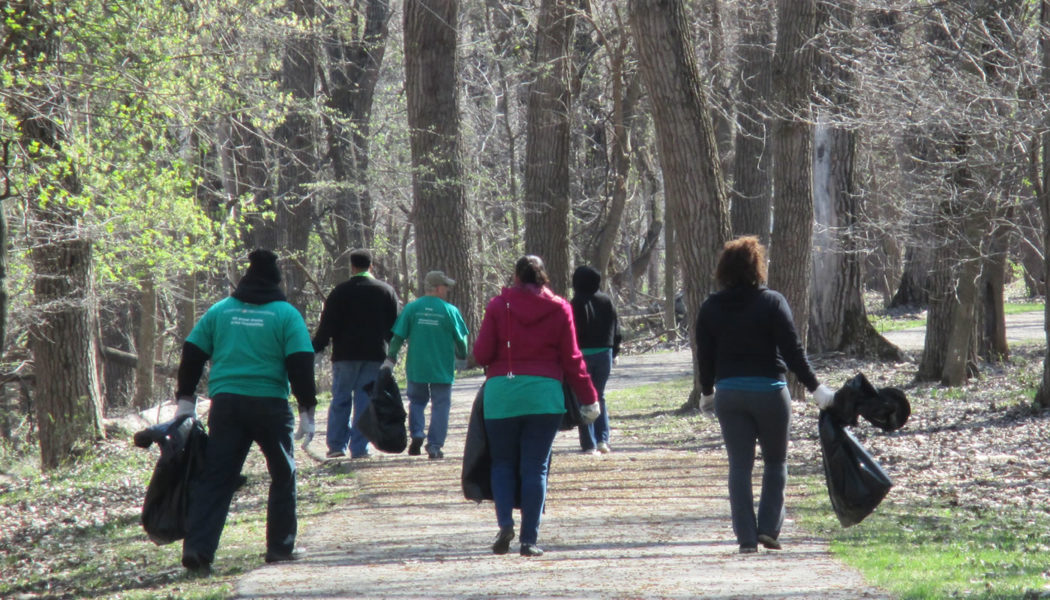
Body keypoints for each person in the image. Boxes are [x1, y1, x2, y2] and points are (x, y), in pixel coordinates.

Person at [176, 249, 317, 572]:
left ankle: (198, 551)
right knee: (283, 474)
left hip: (226, 406)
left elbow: (193, 351)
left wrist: (186, 399)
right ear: (276, 280)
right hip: (270, 405)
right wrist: (307, 408)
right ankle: (280, 548)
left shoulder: (221, 311)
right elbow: (300, 362)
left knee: (216, 478)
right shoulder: (286, 315)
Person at [696, 236, 835, 554]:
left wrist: (707, 392)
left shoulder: (710, 306)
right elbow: (793, 351)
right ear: (758, 267)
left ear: (723, 270)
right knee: (775, 462)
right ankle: (769, 528)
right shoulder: (773, 302)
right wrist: (816, 389)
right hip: (771, 393)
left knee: (739, 467)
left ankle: (746, 538)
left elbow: (705, 355)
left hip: (729, 394)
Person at [473, 255, 600, 557]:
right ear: (543, 276)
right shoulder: (560, 308)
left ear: (516, 276)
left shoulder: (497, 306)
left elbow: (481, 354)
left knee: (502, 463)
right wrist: (589, 397)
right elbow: (572, 359)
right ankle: (529, 540)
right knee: (536, 467)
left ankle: (505, 523)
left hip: (502, 392)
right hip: (545, 396)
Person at [313, 249, 400, 459]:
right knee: (365, 401)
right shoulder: (386, 291)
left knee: (340, 399)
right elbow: (395, 326)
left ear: (352, 267)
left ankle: (336, 446)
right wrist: (392, 352)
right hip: (374, 355)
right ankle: (359, 448)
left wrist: (316, 348)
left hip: (345, 355)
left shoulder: (340, 291)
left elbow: (328, 325)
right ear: (371, 266)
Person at [383, 270, 469, 460]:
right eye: (445, 286)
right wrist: (462, 355)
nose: (447, 290)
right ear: (438, 288)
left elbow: (398, 336)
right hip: (442, 368)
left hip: (417, 366)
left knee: (417, 402)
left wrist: (391, 357)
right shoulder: (450, 310)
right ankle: (435, 445)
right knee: (441, 405)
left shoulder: (412, 308)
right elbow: (462, 340)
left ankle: (417, 434)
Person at [570, 265, 622, 455]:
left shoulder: (574, 303)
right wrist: (615, 351)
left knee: (584, 398)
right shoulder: (606, 300)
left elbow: (570, 333)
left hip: (581, 355)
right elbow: (616, 329)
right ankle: (603, 440)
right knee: (599, 395)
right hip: (604, 354)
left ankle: (589, 443)